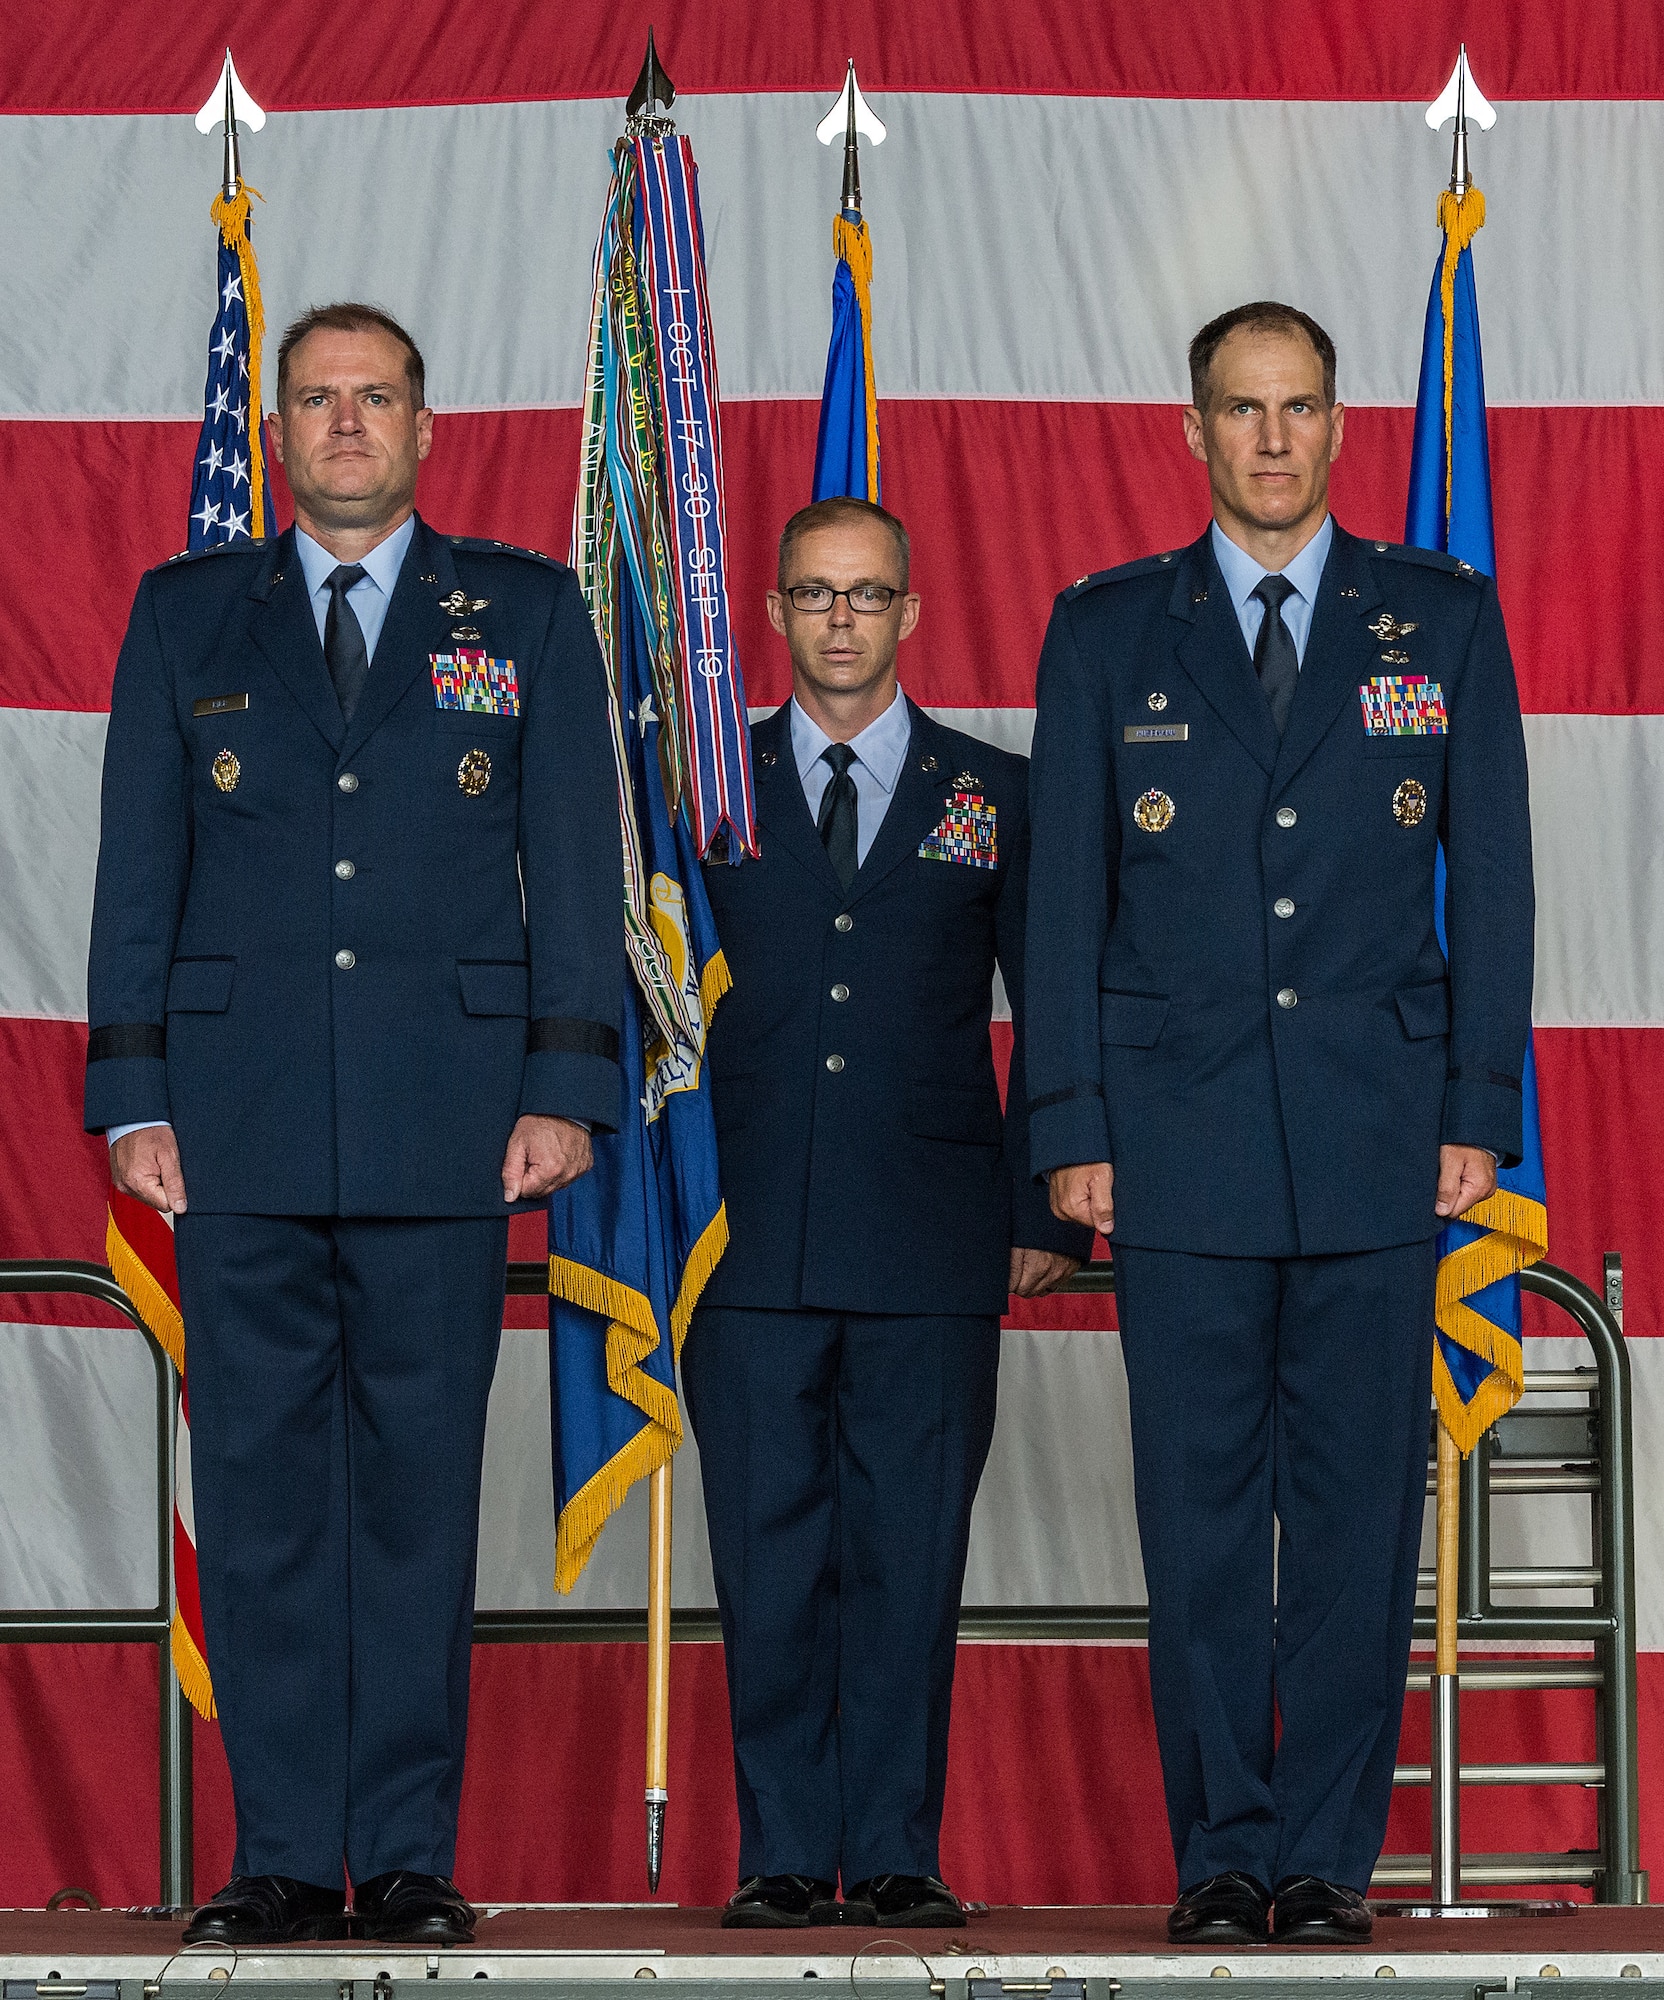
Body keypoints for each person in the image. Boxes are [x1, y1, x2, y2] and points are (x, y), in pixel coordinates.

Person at [84, 303, 622, 1946]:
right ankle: (274, 1854)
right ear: (279, 429)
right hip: (236, 1126)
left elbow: (577, 872)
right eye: (313, 399)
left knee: (411, 1504)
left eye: (372, 397)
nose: (341, 425)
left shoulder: (523, 611)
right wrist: (131, 1092)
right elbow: (135, 874)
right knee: (254, 1510)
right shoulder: (186, 618)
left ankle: (398, 1854)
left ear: (426, 426)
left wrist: (564, 1082)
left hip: (448, 1126)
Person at [1024, 302, 1534, 1947]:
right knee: (1196, 1524)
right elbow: (1064, 910)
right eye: (1239, 411)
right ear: (1189, 431)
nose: (1269, 439)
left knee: (1357, 1528)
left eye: (1298, 408)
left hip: (1384, 1135)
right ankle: (1222, 1854)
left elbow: (1500, 887)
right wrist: (1072, 1126)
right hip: (1173, 1146)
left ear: (1338, 424)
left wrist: (1478, 1108)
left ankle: (1322, 1862)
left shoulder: (1438, 623)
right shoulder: (1108, 632)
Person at [685, 496, 1091, 1930]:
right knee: (770, 1554)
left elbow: (1055, 1006)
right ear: (777, 614)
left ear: (911, 613)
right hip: (737, 1237)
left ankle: (899, 1847)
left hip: (933, 1229)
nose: (842, 618)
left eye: (867, 595)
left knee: (908, 1553)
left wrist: (1051, 1197)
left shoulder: (1002, 792)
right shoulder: (702, 788)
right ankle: (789, 1850)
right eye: (814, 593)